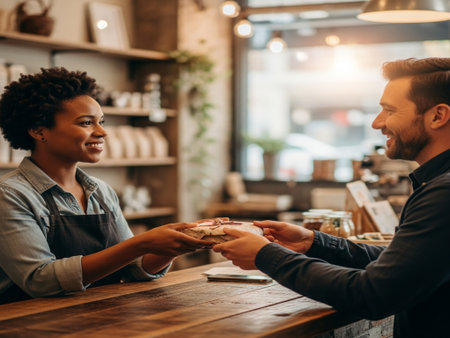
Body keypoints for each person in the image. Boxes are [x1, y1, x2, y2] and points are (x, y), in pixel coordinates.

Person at [213, 57, 450, 338]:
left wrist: (266, 255)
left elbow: (374, 294)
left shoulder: (443, 192)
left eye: (388, 110)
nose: (377, 123)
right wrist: (315, 243)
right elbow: (407, 266)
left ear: (438, 115)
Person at [0, 67, 213, 304]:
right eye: (86, 123)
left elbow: (131, 268)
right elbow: (41, 280)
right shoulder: (11, 195)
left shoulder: (100, 190)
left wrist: (172, 247)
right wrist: (141, 243)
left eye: (101, 122)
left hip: (98, 318)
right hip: (28, 323)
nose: (102, 132)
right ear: (39, 131)